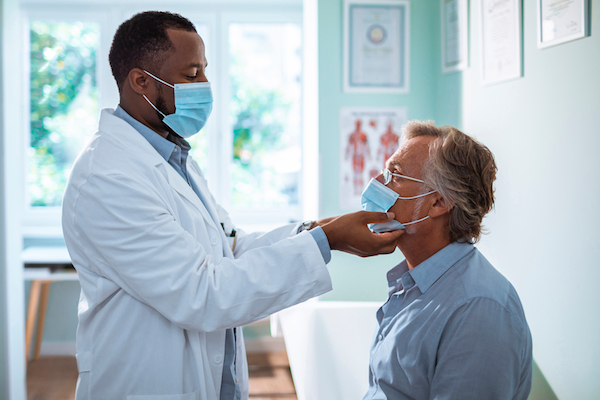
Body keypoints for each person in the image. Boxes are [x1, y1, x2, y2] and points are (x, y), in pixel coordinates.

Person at [61, 11, 403, 400]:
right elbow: (203, 293)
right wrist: (326, 240)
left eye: (205, 71)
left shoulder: (173, 159)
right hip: (143, 384)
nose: (206, 86)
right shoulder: (109, 178)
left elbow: (228, 249)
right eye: (192, 75)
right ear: (140, 81)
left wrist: (313, 231)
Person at [361, 121, 533, 400]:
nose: (378, 183)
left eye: (395, 174)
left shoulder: (478, 309)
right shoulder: (413, 284)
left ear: (438, 202)